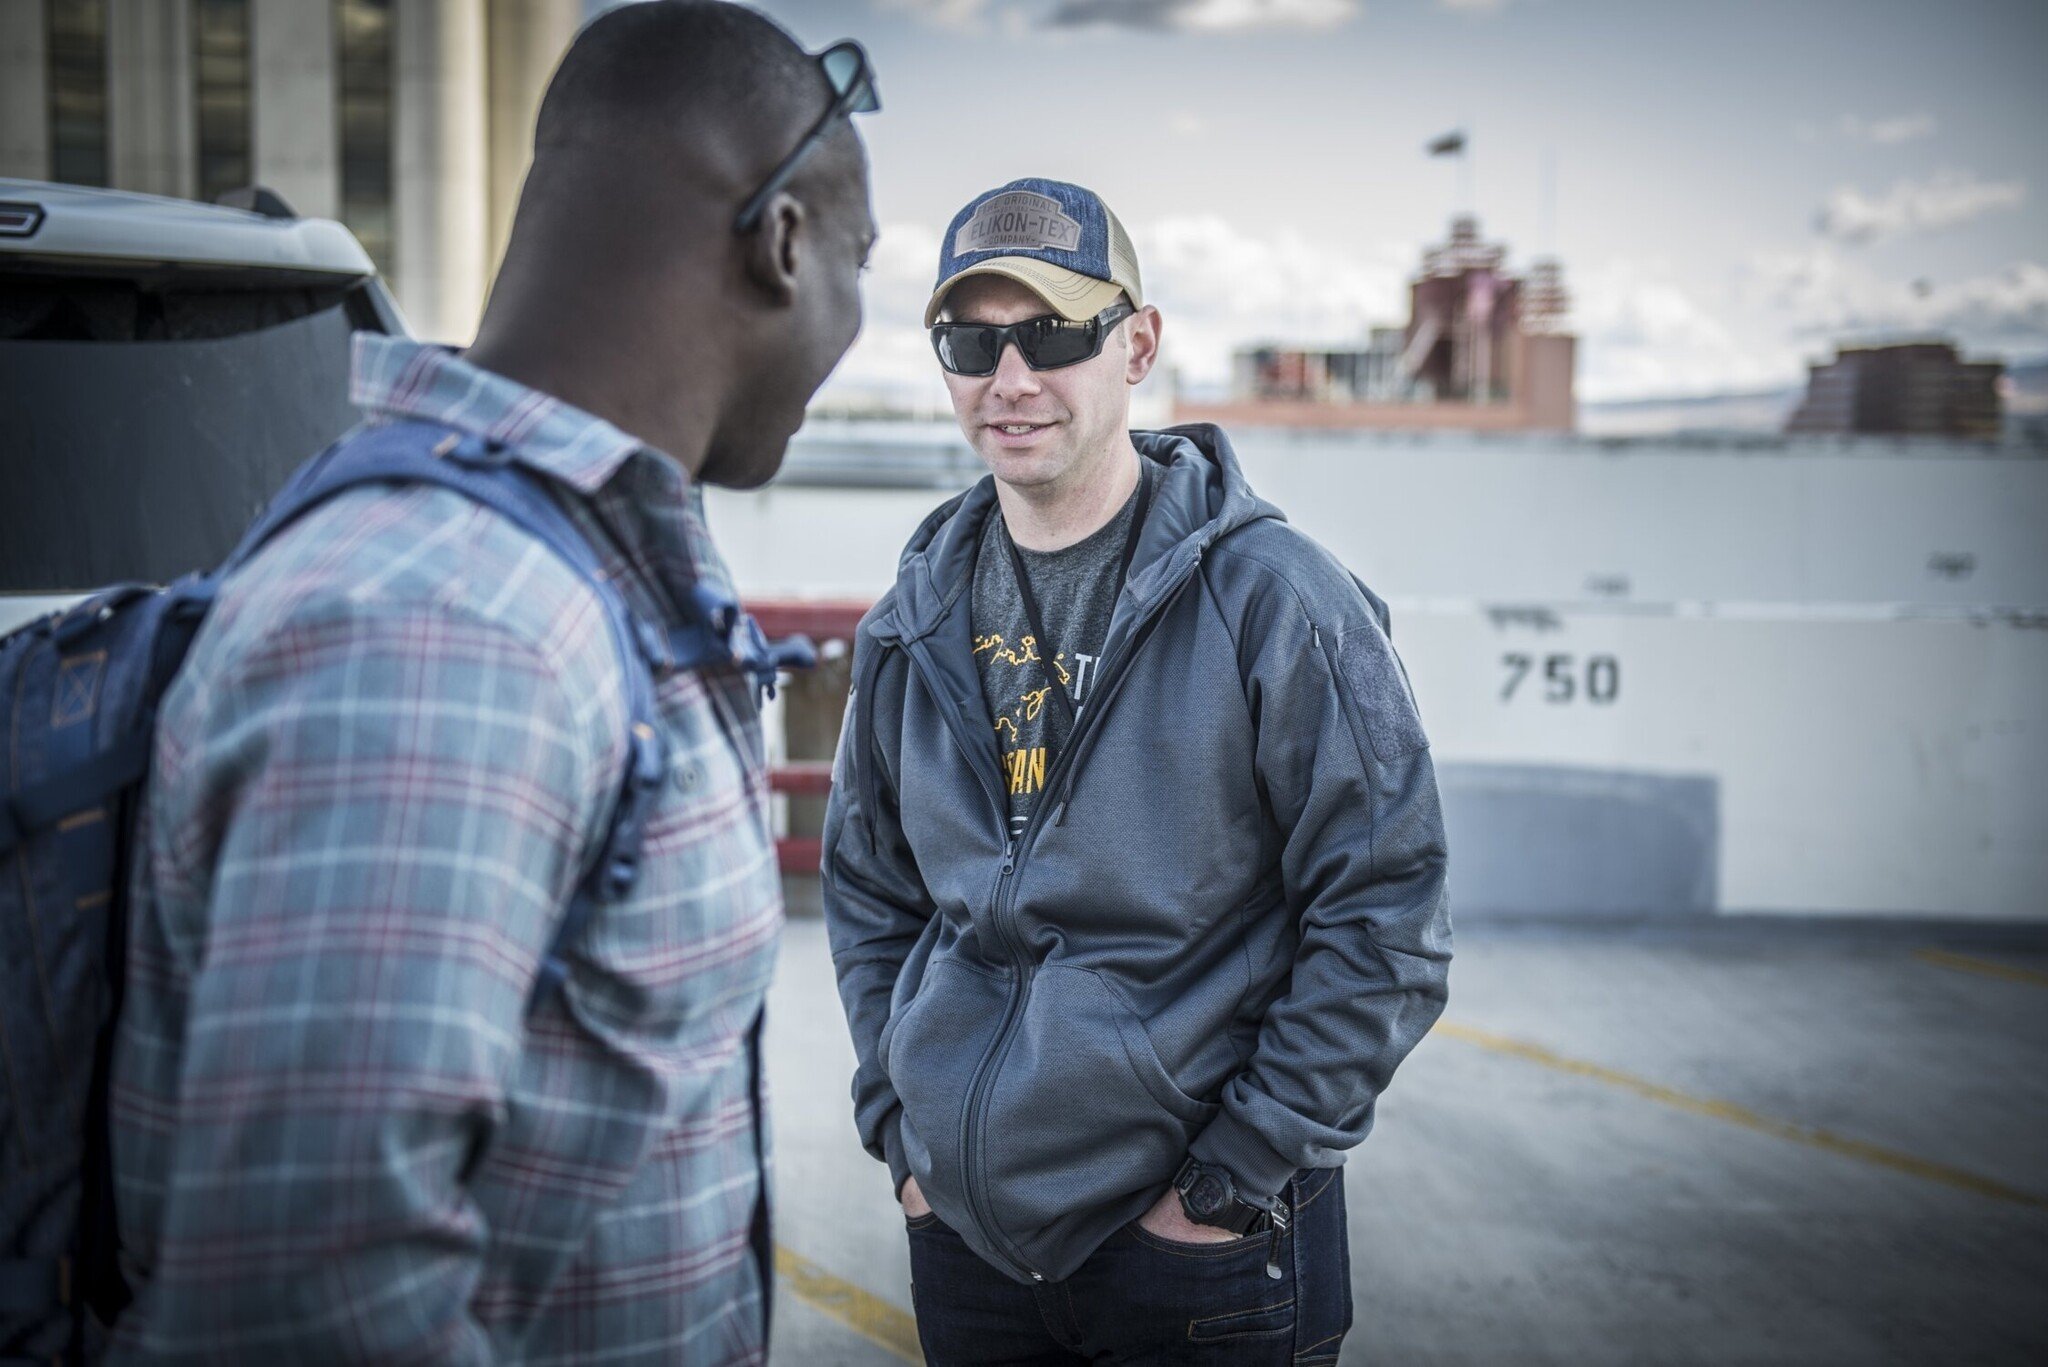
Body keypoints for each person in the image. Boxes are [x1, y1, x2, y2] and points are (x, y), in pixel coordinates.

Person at [106, 4, 877, 1362]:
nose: (857, 330)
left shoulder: (555, 578)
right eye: (862, 263)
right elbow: (309, 1303)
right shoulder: (451, 621)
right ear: (785, 240)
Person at [821, 178, 1451, 1365]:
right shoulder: (913, 617)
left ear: (1137, 345)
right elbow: (868, 890)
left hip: (1204, 1253)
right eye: (972, 341)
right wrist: (900, 1138)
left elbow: (1386, 919)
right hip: (969, 1244)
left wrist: (1227, 1181)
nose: (1009, 378)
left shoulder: (1278, 601)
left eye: (1053, 334)